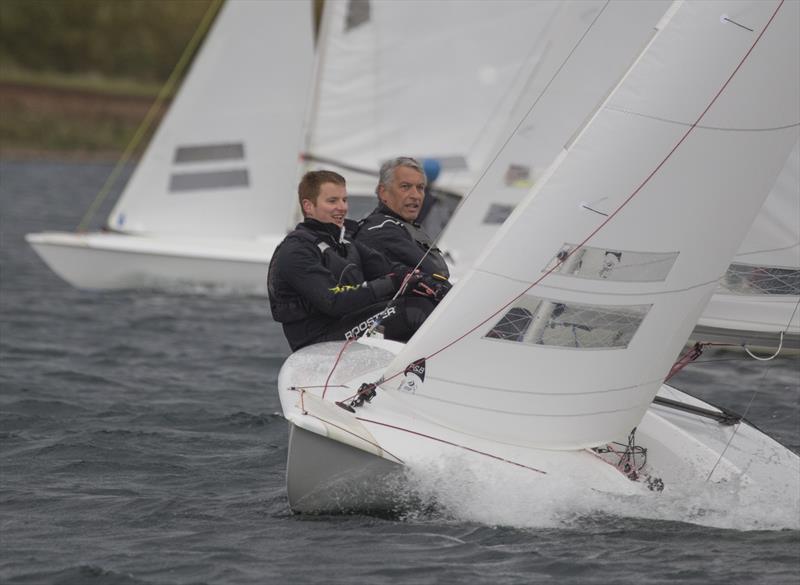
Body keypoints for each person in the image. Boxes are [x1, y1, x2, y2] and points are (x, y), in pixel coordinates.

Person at [268, 170, 440, 351]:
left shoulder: (346, 242)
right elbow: (332, 301)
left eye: (344, 200)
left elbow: (388, 268)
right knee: (414, 312)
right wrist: (392, 283)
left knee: (429, 303)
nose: (342, 207)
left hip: (349, 326)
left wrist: (428, 283)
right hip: (318, 342)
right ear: (309, 206)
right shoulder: (295, 251)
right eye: (332, 201)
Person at [355, 157, 452, 297]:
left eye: (420, 188)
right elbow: (434, 274)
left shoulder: (403, 226)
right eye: (405, 187)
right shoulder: (382, 230)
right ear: (383, 192)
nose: (415, 195)